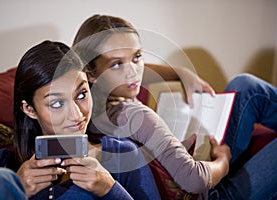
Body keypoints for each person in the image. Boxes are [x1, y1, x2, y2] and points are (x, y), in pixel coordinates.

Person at [72, 14, 277, 199]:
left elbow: (130, 69)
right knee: (254, 92)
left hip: (181, 173)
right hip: (212, 193)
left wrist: (180, 72)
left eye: (137, 57)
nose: (133, 72)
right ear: (92, 73)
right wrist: (222, 161)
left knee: (246, 86)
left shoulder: (83, 106)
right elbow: (194, 180)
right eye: (117, 64)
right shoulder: (136, 116)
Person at [0, 40, 160, 200]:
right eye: (56, 103)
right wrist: (16, 191)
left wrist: (109, 189)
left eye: (81, 94)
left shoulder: (123, 155)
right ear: (29, 109)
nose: (76, 115)